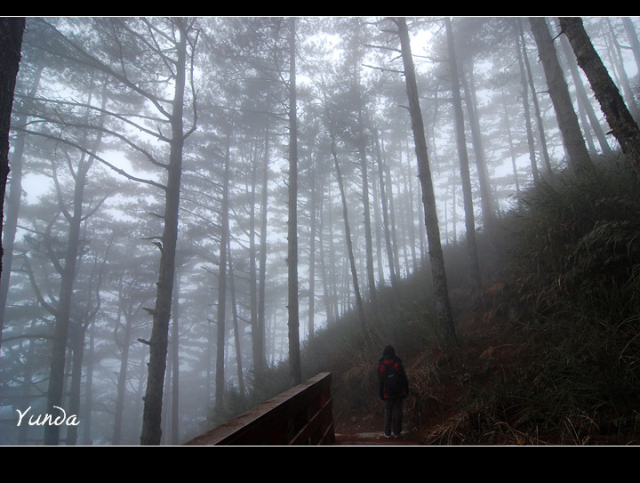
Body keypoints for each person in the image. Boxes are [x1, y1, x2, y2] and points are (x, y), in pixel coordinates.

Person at [377, 345, 409, 438]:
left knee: (388, 412)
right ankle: (397, 432)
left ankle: (387, 433)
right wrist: (406, 390)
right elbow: (404, 378)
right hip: (399, 392)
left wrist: (381, 394)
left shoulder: (382, 365)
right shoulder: (397, 363)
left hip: (387, 394)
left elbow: (380, 382)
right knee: (398, 412)